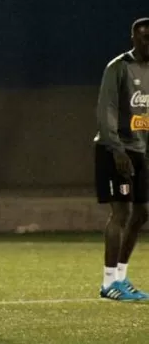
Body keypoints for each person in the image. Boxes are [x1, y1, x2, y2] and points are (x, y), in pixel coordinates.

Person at [94, 16, 149, 302]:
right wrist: (117, 150)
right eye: (143, 37)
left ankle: (122, 278)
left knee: (142, 214)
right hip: (115, 150)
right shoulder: (119, 67)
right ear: (133, 38)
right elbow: (106, 111)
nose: (147, 42)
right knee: (122, 214)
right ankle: (108, 283)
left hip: (141, 151)